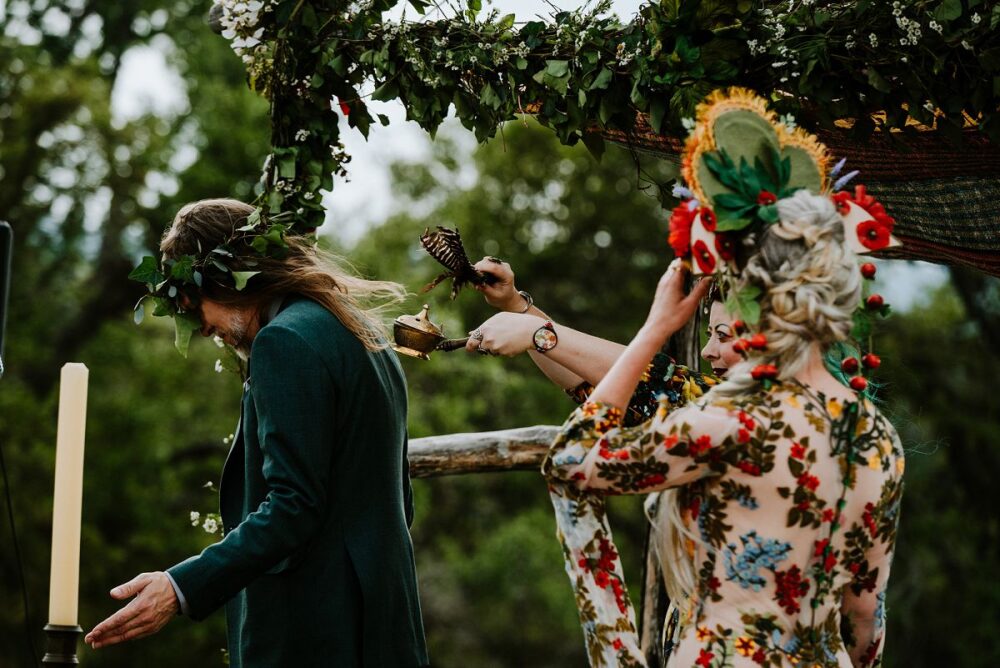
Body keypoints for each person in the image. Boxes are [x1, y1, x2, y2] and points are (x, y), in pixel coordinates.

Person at [543, 190, 903, 666]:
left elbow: (571, 462)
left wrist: (655, 330)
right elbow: (864, 614)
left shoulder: (730, 416)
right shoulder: (875, 434)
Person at [84, 199, 429, 667]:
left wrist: (181, 585)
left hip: (320, 630)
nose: (200, 328)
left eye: (191, 303)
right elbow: (396, 500)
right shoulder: (358, 329)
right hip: (385, 620)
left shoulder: (284, 341)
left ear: (227, 278)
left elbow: (294, 505)